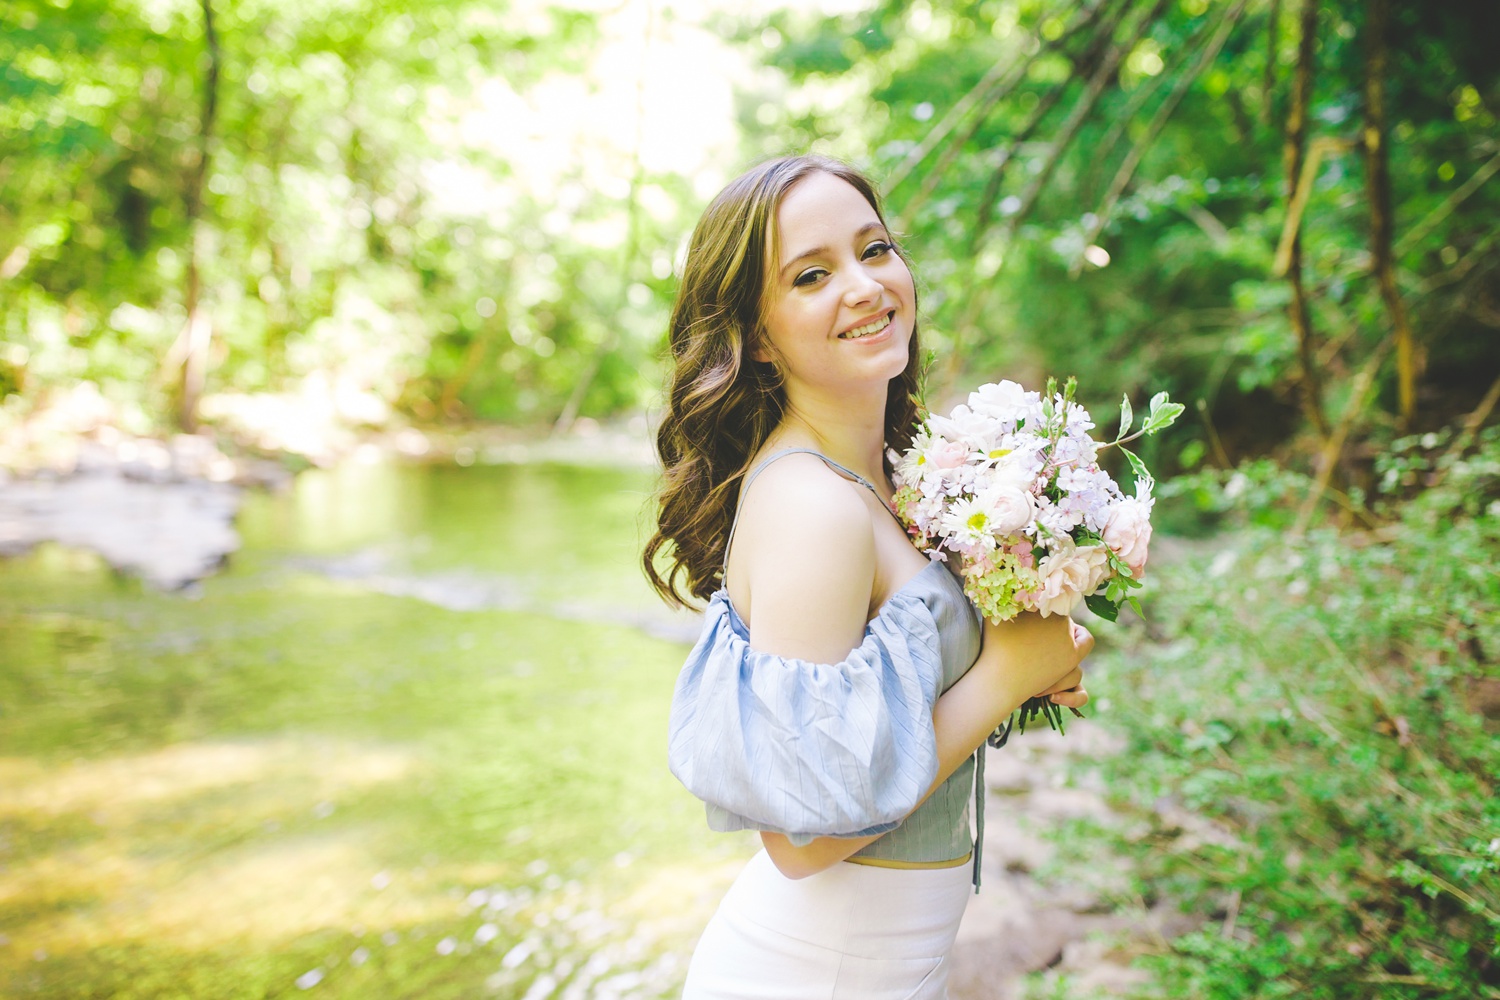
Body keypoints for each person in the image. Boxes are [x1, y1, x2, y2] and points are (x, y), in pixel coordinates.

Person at [643, 154, 1094, 1000]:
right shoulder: (813, 509)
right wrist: (1003, 676)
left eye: (875, 249)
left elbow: (891, 706)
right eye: (811, 274)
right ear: (759, 338)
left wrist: (1033, 652)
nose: (864, 285)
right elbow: (800, 840)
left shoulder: (890, 476)